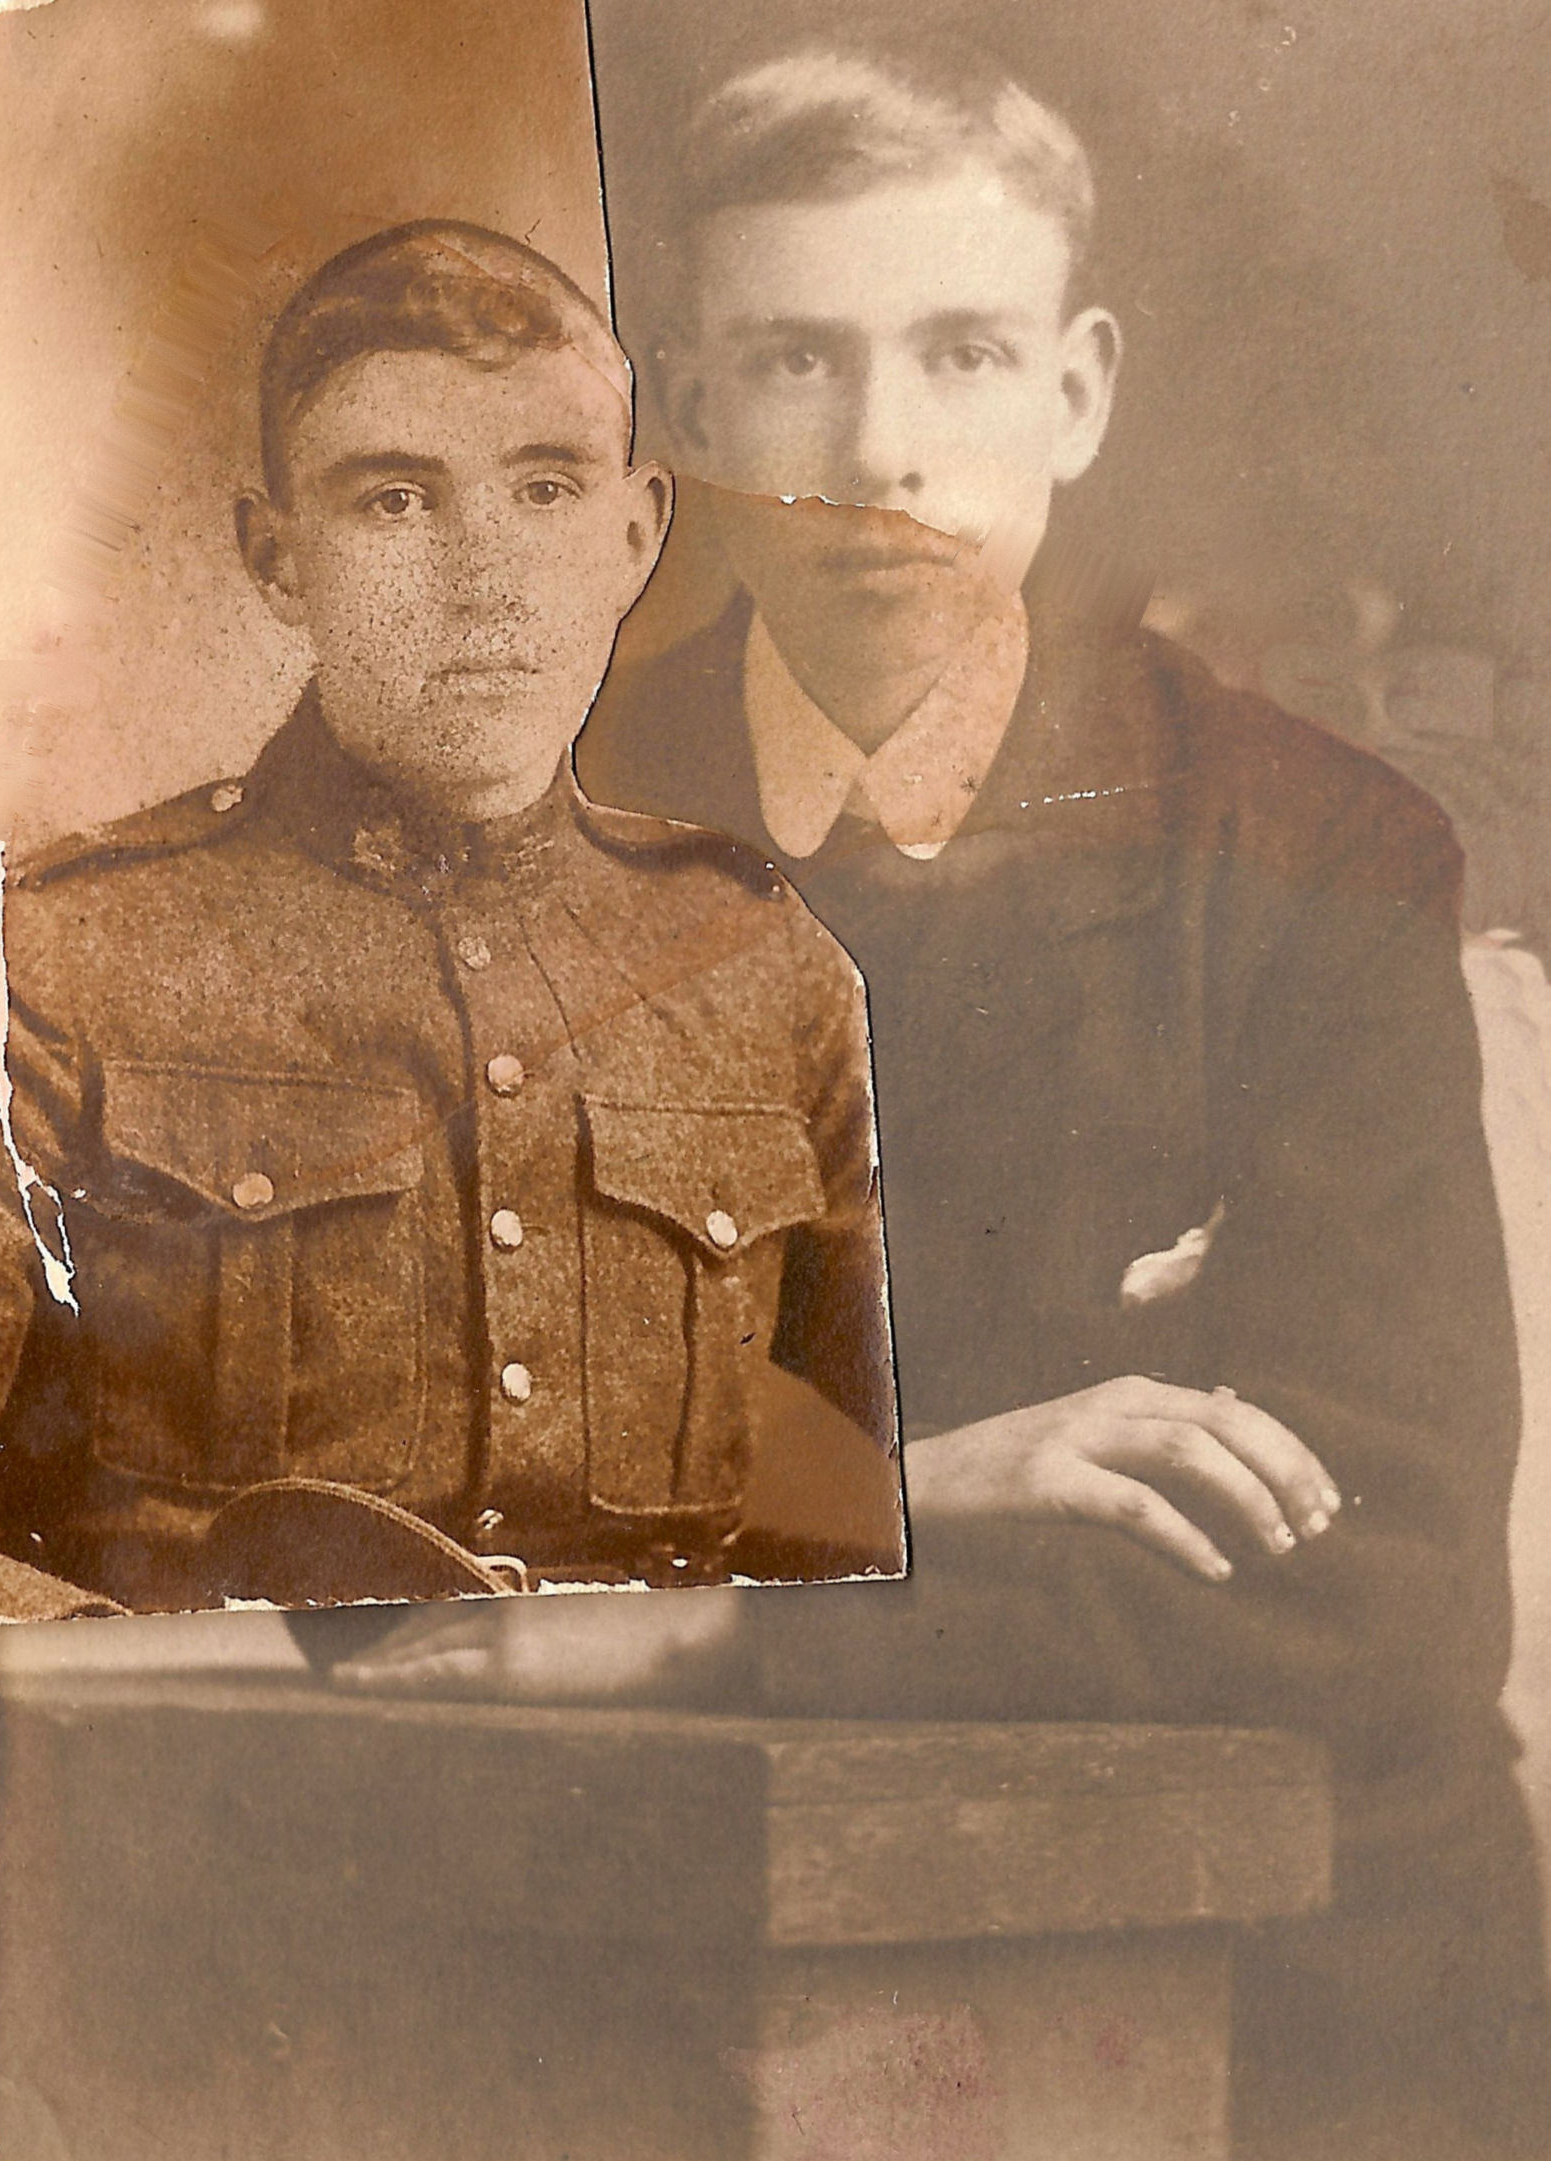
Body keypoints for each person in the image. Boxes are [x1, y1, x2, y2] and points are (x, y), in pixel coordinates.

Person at [558, 40, 1546, 2158]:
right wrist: (925, 1488)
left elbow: (1370, 1593)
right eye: (797, 359)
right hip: (654, 1943)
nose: (881, 451)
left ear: (1075, 395)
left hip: (1293, 1984)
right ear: (690, 406)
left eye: (964, 352)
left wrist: (692, 1588)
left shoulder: (1317, 857)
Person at [0, 218, 899, 1621]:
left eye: (544, 489)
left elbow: (865, 1523)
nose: (486, 572)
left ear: (635, 536)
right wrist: (148, 1687)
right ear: (277, 558)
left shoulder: (764, 963)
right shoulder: (63, 957)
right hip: (220, 1741)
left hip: (663, 1737)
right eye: (396, 500)